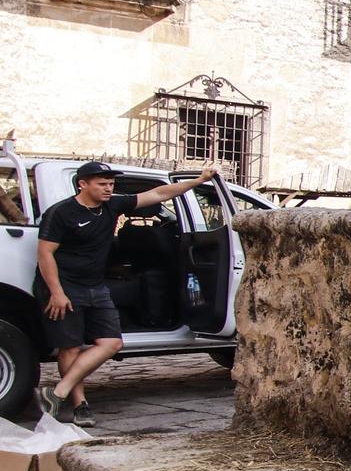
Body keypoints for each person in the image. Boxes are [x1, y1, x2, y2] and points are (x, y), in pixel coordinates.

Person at [37, 160, 220, 425]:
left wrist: (199, 180)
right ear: (83, 184)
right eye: (102, 184)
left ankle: (57, 392)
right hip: (64, 286)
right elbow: (45, 253)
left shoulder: (112, 205)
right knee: (70, 347)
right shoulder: (62, 213)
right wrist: (56, 292)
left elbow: (158, 194)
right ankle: (80, 406)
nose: (109, 188)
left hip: (95, 286)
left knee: (112, 343)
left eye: (111, 184)